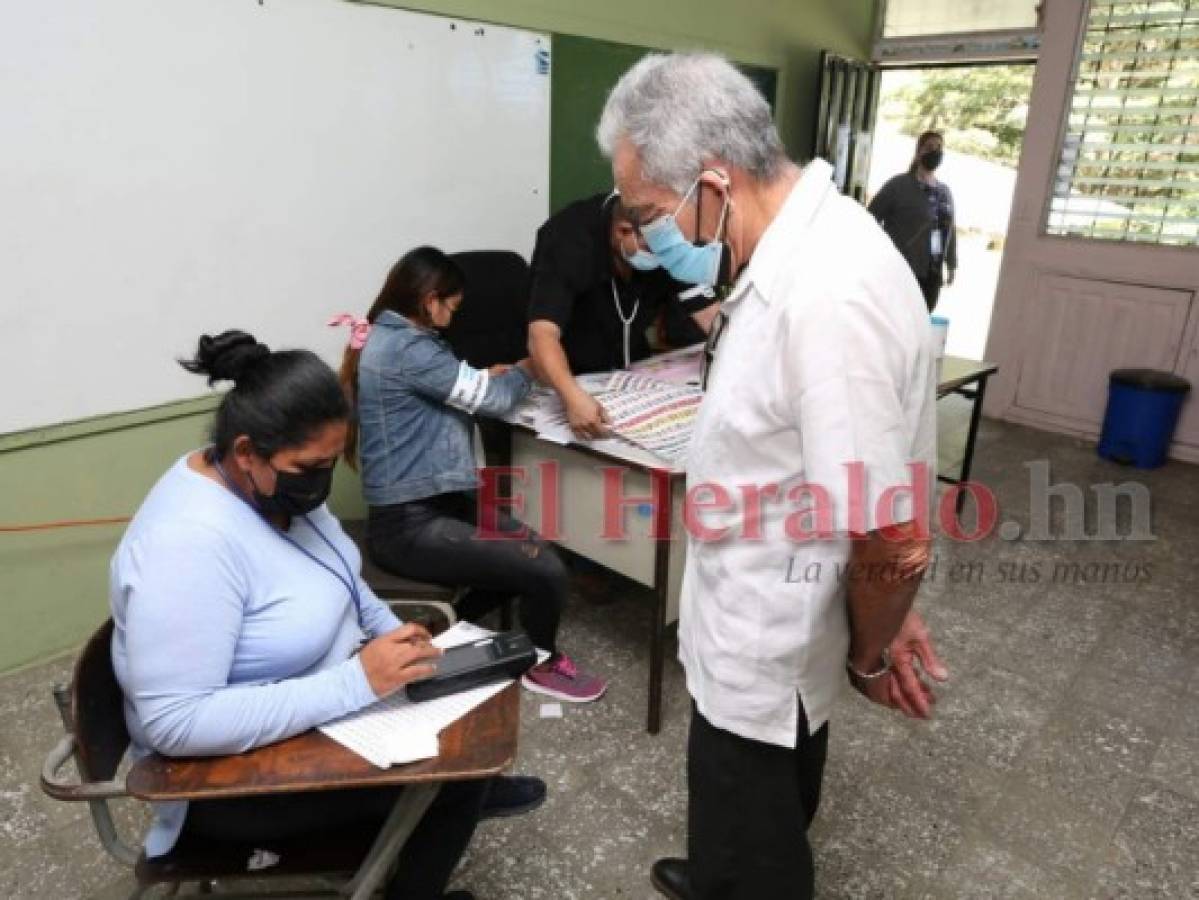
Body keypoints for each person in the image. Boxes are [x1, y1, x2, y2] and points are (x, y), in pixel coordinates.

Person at [598, 53, 950, 899]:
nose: (647, 235)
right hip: (752, 610)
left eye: (650, 212)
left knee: (754, 827)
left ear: (713, 184)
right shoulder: (800, 245)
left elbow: (892, 533)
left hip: (770, 636)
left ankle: (739, 875)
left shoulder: (825, 294)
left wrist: (871, 648)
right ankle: (724, 863)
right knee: (740, 808)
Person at [110, 330, 533, 900]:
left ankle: (459, 794)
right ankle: (442, 825)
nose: (321, 484)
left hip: (311, 708)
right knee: (457, 778)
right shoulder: (188, 545)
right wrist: (356, 682)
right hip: (224, 787)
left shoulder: (272, 489)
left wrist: (391, 633)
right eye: (310, 467)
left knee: (466, 706)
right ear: (244, 452)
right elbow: (176, 724)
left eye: (332, 463)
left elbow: (345, 579)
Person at [338, 246, 607, 703]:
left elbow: (445, 389)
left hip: (440, 504)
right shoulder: (408, 348)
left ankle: (441, 631)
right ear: (430, 301)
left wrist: (485, 377)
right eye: (452, 306)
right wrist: (526, 370)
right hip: (409, 524)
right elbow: (496, 401)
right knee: (545, 570)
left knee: (531, 553)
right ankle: (540, 663)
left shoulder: (393, 338)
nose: (452, 316)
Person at [527, 191, 721, 439]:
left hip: (632, 374)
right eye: (657, 250)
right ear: (623, 231)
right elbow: (542, 334)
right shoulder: (568, 239)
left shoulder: (670, 239)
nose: (666, 257)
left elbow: (710, 315)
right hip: (570, 371)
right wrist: (572, 397)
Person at [868, 129, 958, 312]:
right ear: (918, 152)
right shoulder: (899, 186)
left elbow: (950, 230)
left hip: (932, 277)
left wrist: (952, 263)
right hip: (901, 274)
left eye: (939, 147)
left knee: (921, 327)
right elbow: (870, 218)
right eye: (929, 147)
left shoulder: (945, 192)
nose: (935, 151)